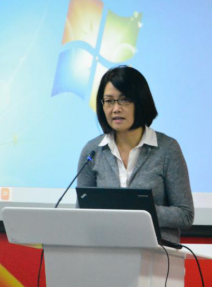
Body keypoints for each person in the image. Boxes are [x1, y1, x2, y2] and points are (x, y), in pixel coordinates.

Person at [76, 66, 194, 243]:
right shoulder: (92, 151)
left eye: (124, 100)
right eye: (109, 101)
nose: (116, 108)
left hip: (155, 252)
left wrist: (142, 210)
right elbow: (82, 212)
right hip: (104, 249)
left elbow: (185, 215)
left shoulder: (167, 149)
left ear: (140, 102)